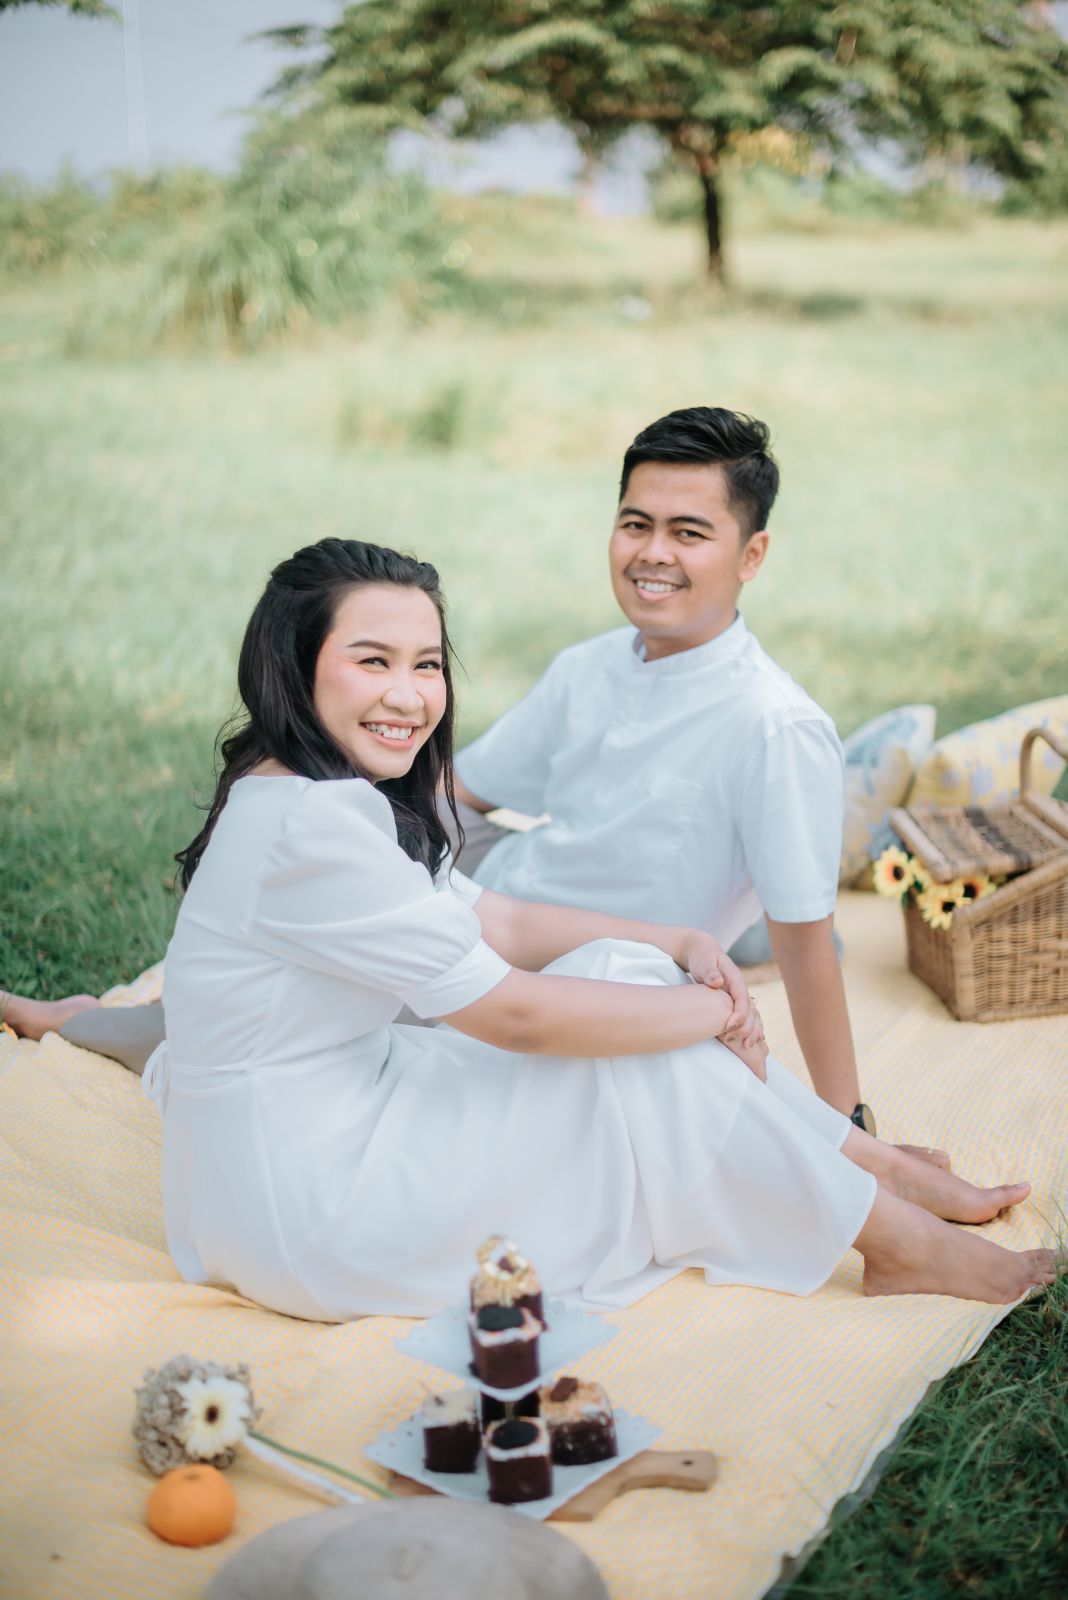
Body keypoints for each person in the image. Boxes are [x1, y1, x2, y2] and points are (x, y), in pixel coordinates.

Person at [19, 534, 1053, 1319]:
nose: (409, 695)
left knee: (622, 975)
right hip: (313, 1204)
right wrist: (711, 1015)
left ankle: (867, 1177)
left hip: (339, 1117)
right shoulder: (309, 827)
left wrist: (678, 948)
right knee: (647, 1053)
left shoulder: (315, 785)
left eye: (427, 663)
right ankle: (892, 1230)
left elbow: (501, 918)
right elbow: (512, 1015)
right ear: (297, 665)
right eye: (373, 661)